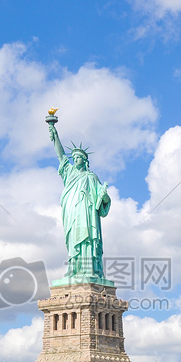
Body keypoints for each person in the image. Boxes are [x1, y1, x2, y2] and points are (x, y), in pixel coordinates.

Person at [48, 119, 111, 281]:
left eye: (78, 157)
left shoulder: (91, 177)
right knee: (73, 238)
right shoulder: (69, 172)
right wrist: (55, 134)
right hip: (72, 211)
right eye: (74, 157)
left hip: (88, 213)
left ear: (85, 160)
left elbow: (102, 200)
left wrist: (104, 197)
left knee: (89, 238)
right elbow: (60, 155)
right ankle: (73, 269)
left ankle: (90, 270)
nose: (75, 159)